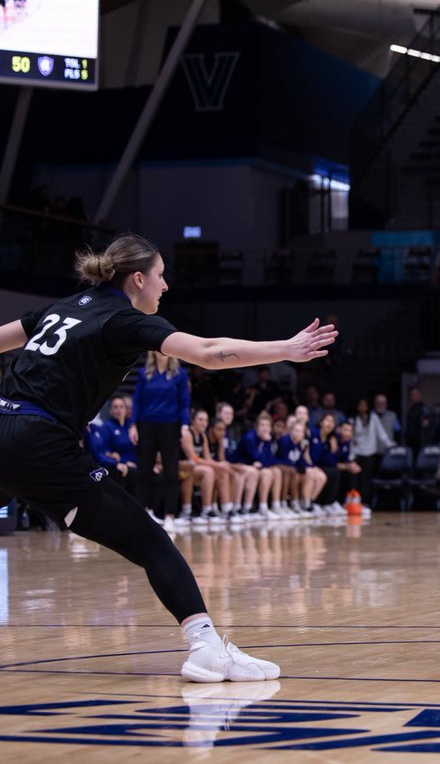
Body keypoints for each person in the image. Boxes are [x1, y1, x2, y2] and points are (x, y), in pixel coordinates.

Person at [0, 233, 335, 681]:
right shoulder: (122, 320)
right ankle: (206, 646)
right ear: (137, 279)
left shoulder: (63, 306)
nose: (166, 285)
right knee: (151, 541)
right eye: (160, 275)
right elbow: (208, 353)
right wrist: (286, 350)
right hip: (40, 443)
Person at [133, 351, 190, 529]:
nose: (161, 352)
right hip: (146, 424)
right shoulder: (144, 373)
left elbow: (184, 401)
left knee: (171, 470)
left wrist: (185, 424)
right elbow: (137, 400)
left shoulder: (179, 374)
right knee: (144, 471)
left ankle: (170, 515)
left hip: (170, 425)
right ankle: (144, 512)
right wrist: (133, 424)